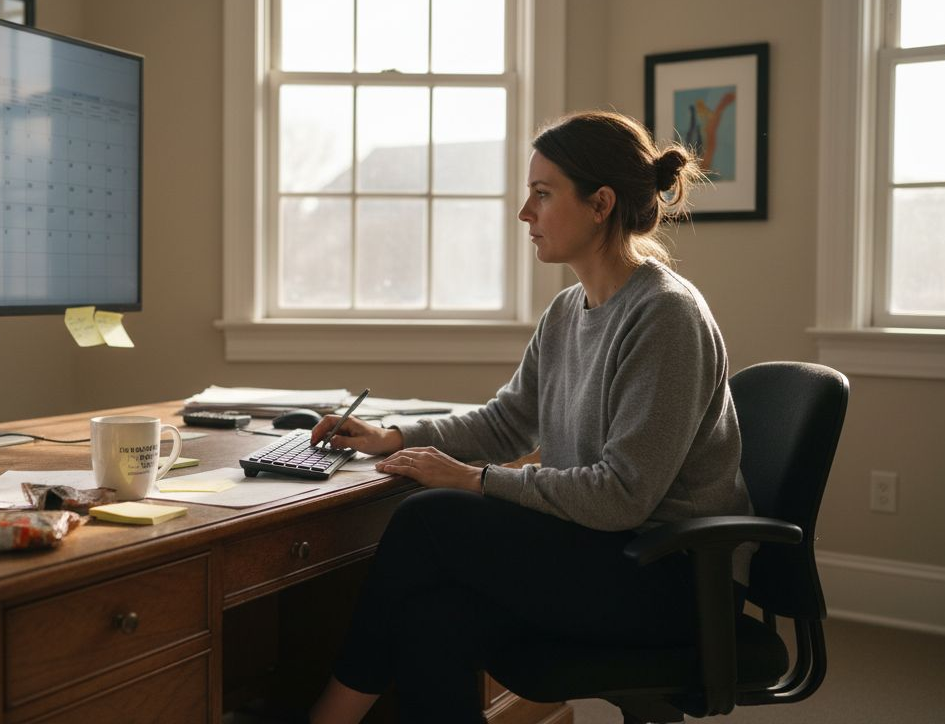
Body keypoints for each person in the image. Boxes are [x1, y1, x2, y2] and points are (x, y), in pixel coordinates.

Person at [305, 111, 754, 724]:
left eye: (542, 195)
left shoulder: (666, 316)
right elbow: (507, 422)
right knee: (435, 612)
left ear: (600, 204)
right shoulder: (570, 309)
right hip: (606, 555)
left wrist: (475, 480)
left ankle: (327, 718)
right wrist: (392, 435)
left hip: (671, 579)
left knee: (429, 519)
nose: (525, 213)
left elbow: (623, 496)